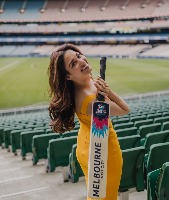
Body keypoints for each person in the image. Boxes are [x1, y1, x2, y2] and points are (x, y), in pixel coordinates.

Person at [48, 43, 130, 200]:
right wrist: (108, 91)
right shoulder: (92, 102)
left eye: (79, 56)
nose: (82, 61)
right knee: (104, 196)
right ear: (67, 76)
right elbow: (125, 109)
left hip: (89, 143)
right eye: (74, 63)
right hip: (101, 151)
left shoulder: (85, 80)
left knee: (97, 195)